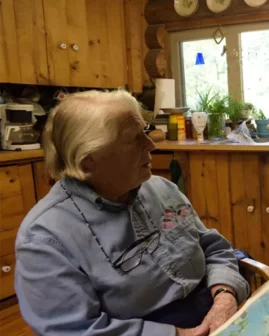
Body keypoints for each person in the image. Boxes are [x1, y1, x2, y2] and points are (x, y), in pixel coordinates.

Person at [14, 90, 249, 336]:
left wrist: (224, 297)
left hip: (214, 310)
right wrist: (180, 334)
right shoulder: (44, 239)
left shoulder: (162, 188)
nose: (151, 144)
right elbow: (73, 330)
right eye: (133, 139)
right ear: (88, 160)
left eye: (144, 132)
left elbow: (214, 247)